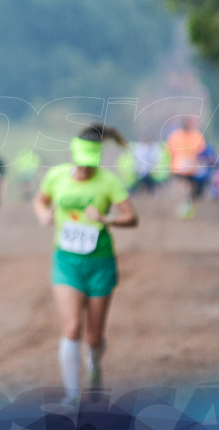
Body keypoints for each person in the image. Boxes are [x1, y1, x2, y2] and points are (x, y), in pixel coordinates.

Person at [33, 123, 139, 406]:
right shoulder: (56, 177)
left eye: (90, 165)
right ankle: (71, 396)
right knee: (71, 328)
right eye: (81, 165)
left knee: (94, 337)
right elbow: (40, 200)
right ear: (74, 155)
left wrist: (107, 219)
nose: (85, 170)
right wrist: (44, 214)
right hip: (66, 261)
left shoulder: (109, 182)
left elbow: (132, 217)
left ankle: (94, 365)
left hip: (100, 263)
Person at [165, 116, 207, 220]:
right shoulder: (175, 135)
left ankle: (188, 205)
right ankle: (182, 206)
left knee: (191, 187)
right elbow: (169, 150)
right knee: (184, 186)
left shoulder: (197, 135)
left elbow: (201, 150)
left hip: (192, 167)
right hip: (178, 167)